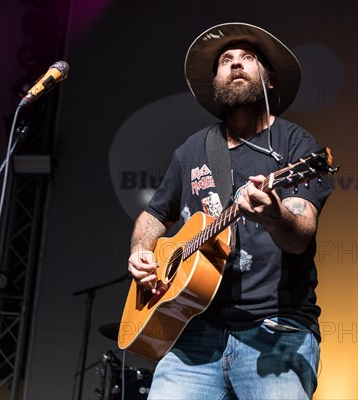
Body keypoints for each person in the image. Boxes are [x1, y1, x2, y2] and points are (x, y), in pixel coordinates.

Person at [127, 22, 332, 400]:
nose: (236, 64)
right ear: (215, 82)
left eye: (248, 58)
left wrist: (274, 215)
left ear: (268, 81)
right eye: (226, 60)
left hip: (275, 331)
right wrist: (140, 250)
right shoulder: (191, 149)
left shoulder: (295, 145)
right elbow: (154, 215)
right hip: (193, 333)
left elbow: (300, 235)